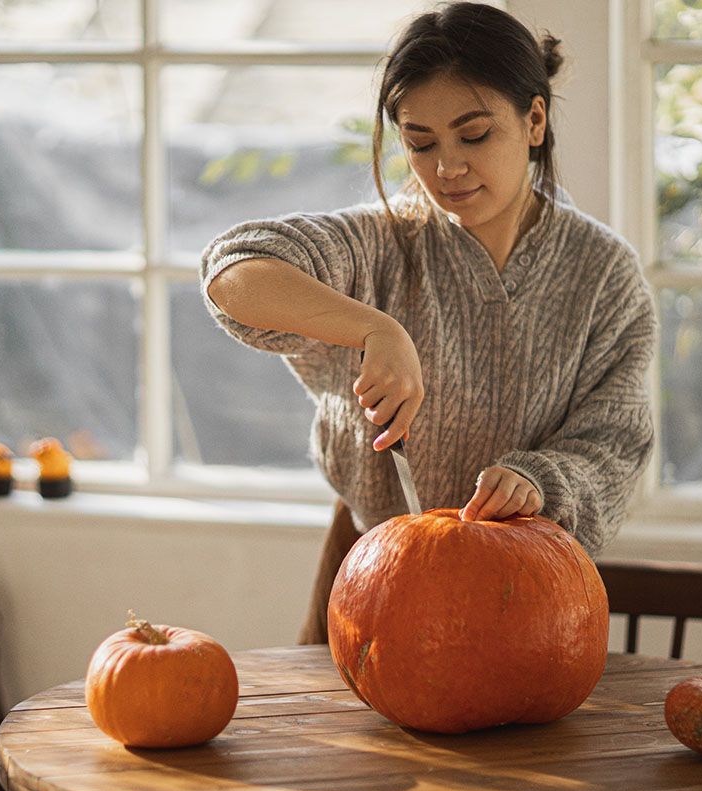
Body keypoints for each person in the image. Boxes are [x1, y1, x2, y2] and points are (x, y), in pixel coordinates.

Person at [199, 2, 656, 645]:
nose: (447, 168)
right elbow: (233, 270)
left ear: (534, 119)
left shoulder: (605, 273)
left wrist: (537, 482)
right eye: (420, 143)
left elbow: (614, 444)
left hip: (531, 593)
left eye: (474, 136)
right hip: (375, 574)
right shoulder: (378, 247)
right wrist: (375, 328)